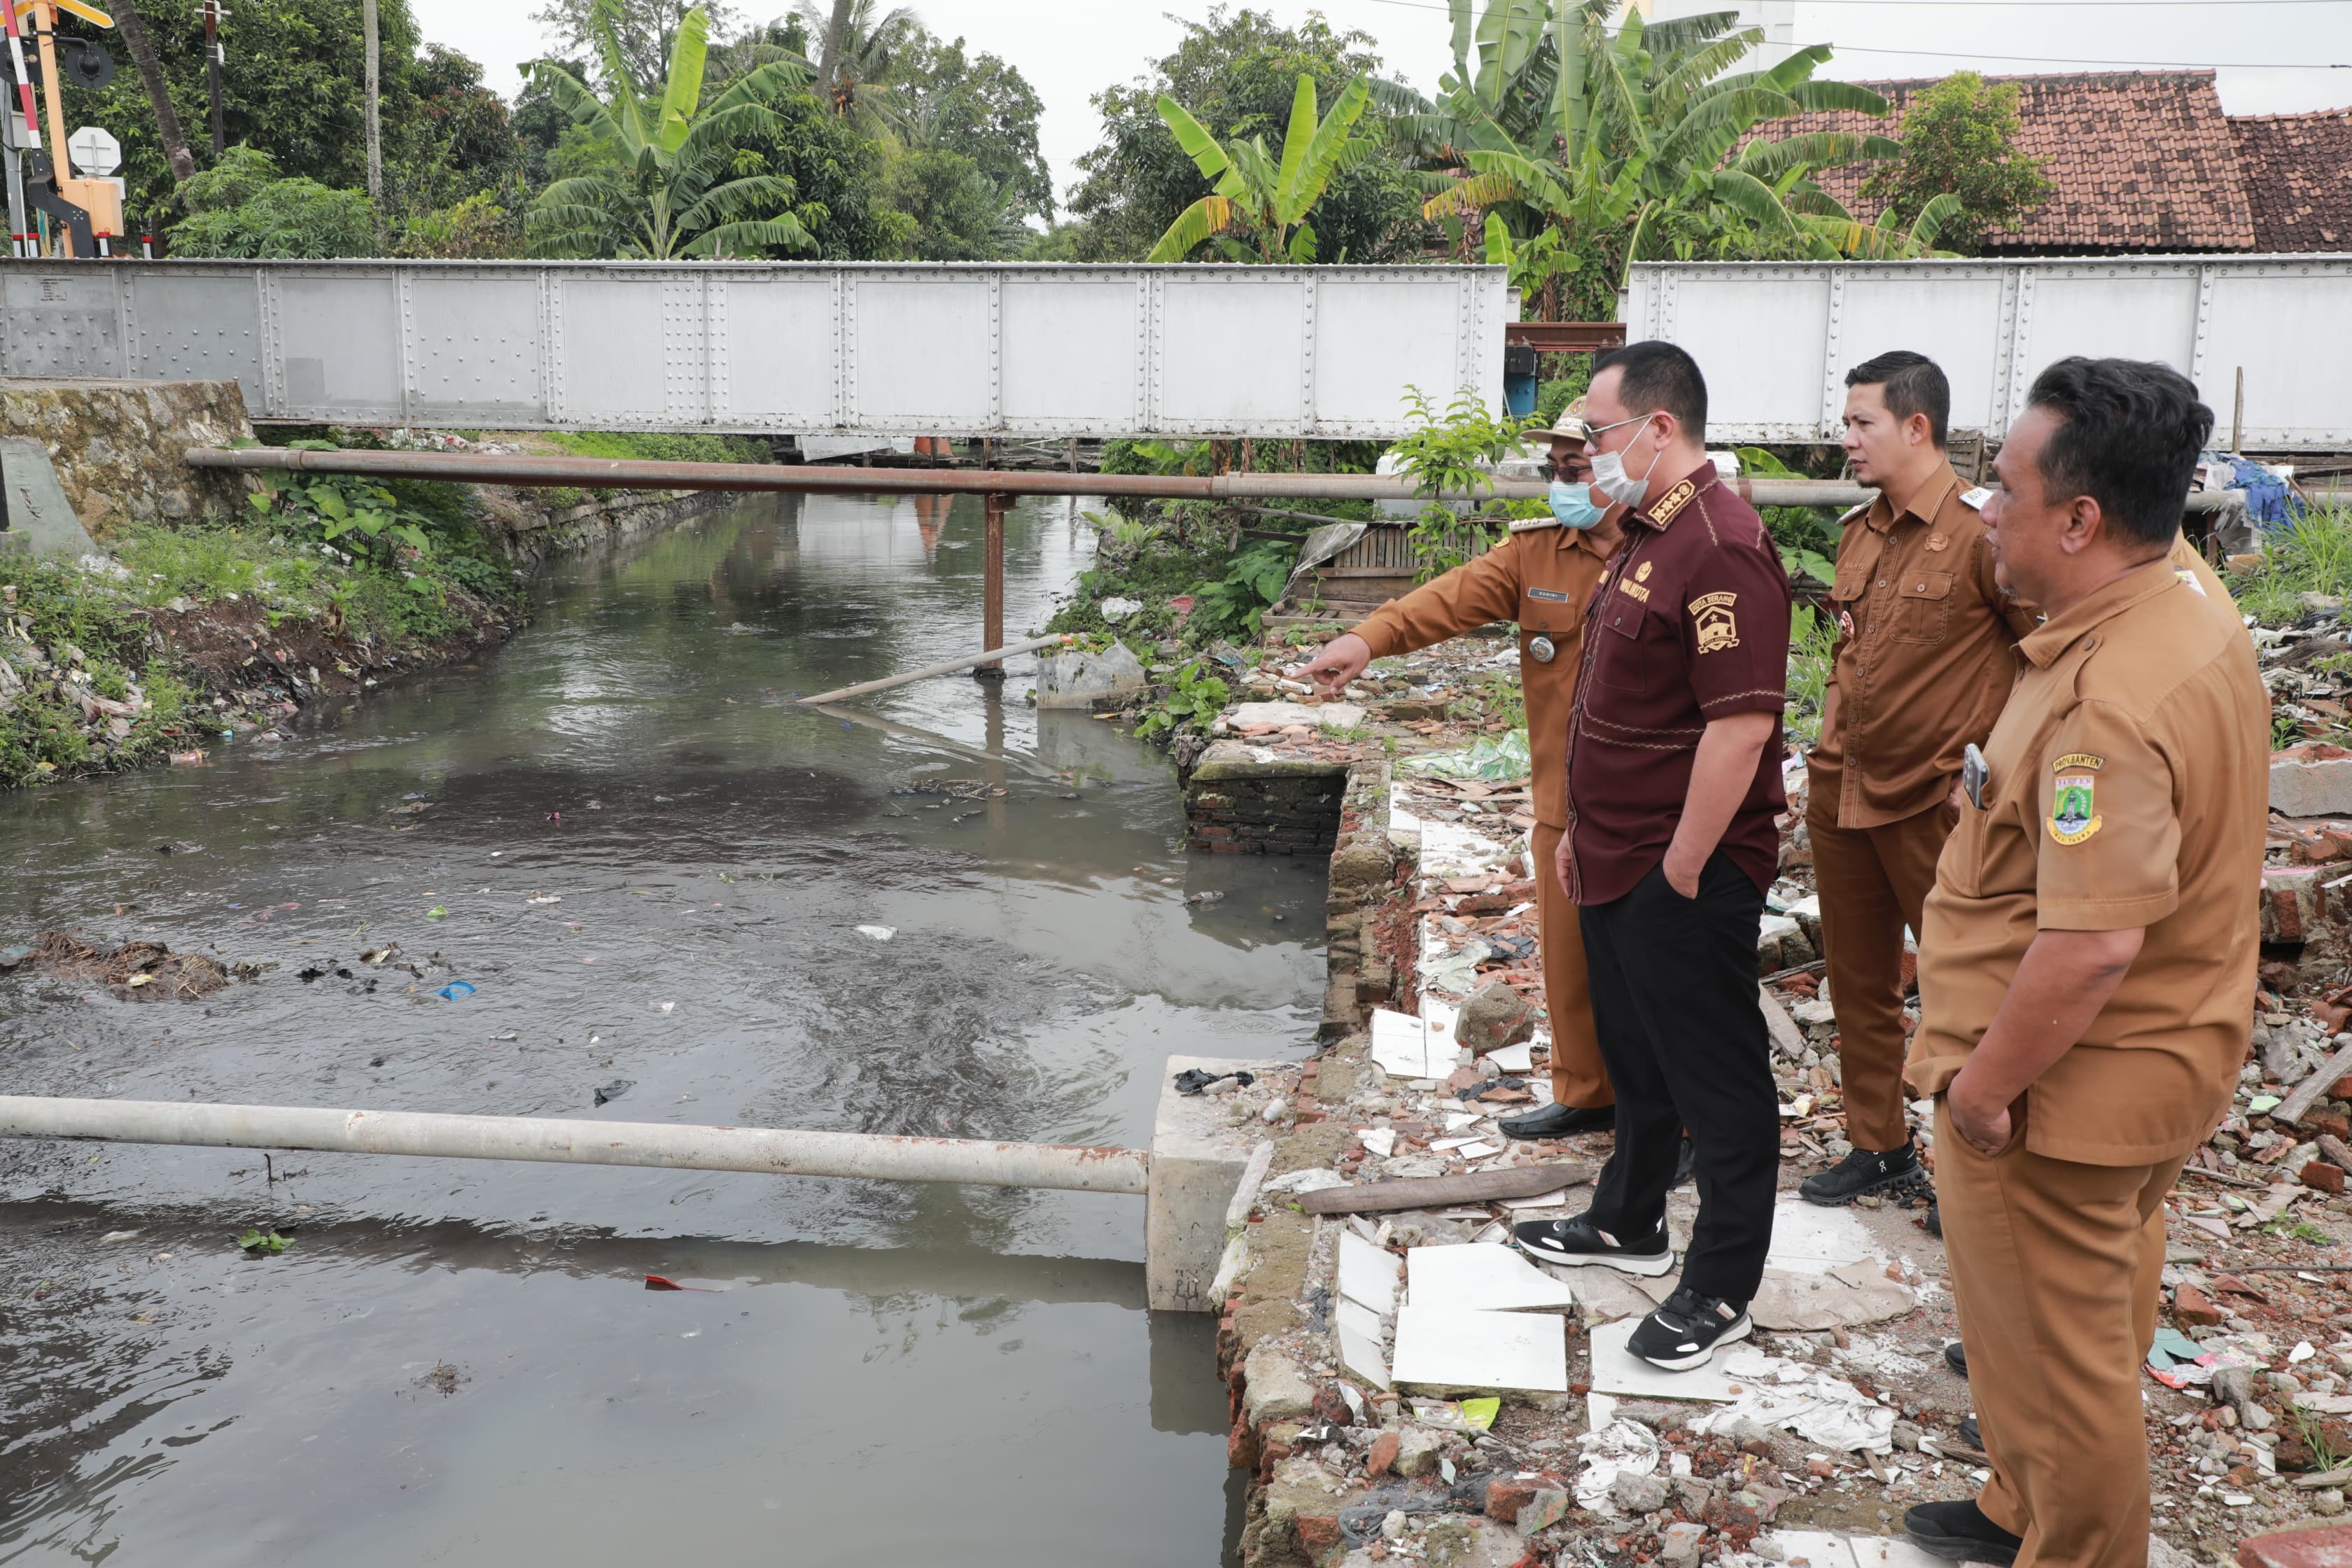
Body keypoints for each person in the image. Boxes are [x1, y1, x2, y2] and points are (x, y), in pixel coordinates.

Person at [1901, 358, 2265, 1568]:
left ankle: (2079, 1546)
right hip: (2163, 1058)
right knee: (2046, 1335)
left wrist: (1987, 1089)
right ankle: (2019, 1507)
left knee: (2068, 1372)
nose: (1982, 508)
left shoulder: (2110, 703)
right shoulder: (2179, 594)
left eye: (2001, 488)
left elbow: (2095, 939)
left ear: (2079, 518)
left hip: (2062, 1095)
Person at [1512, 341, 1791, 1373]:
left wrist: (1679, 871)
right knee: (1636, 1057)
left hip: (1686, 863)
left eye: (1599, 430)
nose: (1589, 451)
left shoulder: (1718, 545)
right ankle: (1630, 1217)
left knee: (1715, 1074)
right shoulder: (1649, 534)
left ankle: (1722, 1284)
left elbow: (1740, 729)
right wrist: (1589, 841)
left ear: (1659, 429)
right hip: (1619, 852)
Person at [1294, 412, 1622, 1137]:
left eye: (1577, 469)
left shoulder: (1674, 555)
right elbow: (1447, 598)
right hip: (1564, 801)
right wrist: (1364, 639)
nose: (1563, 483)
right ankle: (1586, 1093)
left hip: (1652, 807)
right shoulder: (1538, 554)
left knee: (1653, 974)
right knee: (1568, 962)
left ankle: (1677, 1125)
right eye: (1555, 471)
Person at [1801, 351, 2038, 1209]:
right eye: (1847, 422)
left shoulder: (1987, 530)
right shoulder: (1860, 533)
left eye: (1861, 423)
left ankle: (1973, 1170)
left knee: (1964, 989)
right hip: (1845, 792)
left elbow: (2039, 661)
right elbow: (1854, 654)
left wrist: (1987, 776)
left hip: (1935, 804)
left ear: (1916, 426)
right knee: (1858, 982)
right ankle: (1880, 1144)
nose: (1847, 439)